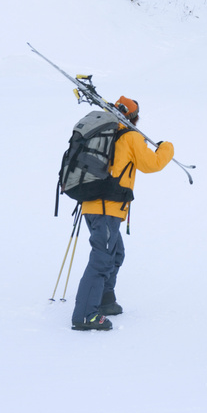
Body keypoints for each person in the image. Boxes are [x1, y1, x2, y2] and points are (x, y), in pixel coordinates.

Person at [71, 96, 174, 331]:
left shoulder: (102, 133)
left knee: (115, 253)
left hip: (92, 205)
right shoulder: (130, 137)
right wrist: (167, 147)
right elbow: (153, 164)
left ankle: (105, 301)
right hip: (107, 207)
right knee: (102, 259)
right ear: (134, 118)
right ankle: (85, 315)